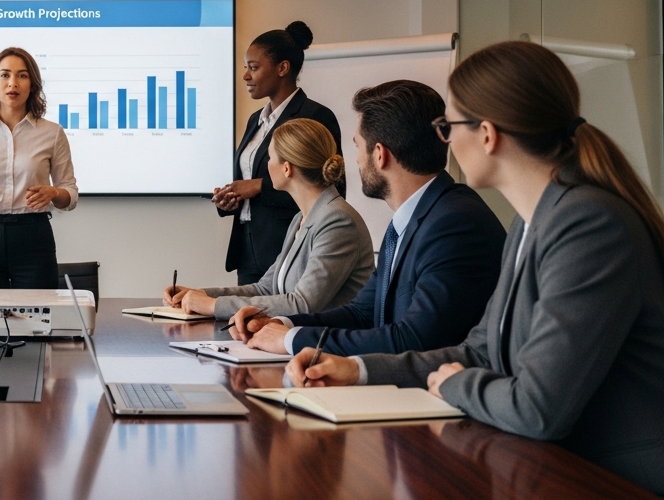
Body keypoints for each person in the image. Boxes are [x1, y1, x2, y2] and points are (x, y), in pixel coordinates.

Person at [287, 42, 664, 498]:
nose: (443, 140)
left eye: (449, 126)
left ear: (487, 134)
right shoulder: (531, 220)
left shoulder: (588, 224)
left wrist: (457, 384)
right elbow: (480, 351)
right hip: (556, 470)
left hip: (623, 483)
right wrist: (355, 369)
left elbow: (538, 406)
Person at [233, 80, 506, 357]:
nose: (356, 160)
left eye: (358, 147)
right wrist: (282, 324)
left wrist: (292, 340)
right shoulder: (414, 218)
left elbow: (413, 339)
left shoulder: (454, 224)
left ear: (379, 154)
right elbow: (364, 312)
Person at [165, 118, 373, 320]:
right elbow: (265, 287)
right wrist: (200, 294)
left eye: (270, 158)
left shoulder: (338, 221)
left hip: (326, 347)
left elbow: (303, 304)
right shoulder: (301, 218)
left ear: (286, 168)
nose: (266, 165)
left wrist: (212, 306)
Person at [213, 21, 343, 285]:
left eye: (254, 67)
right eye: (246, 68)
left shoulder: (315, 116)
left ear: (283, 68)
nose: (246, 76)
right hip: (248, 251)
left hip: (288, 247)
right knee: (243, 324)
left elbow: (330, 187)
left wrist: (258, 186)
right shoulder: (255, 120)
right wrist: (230, 200)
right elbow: (247, 181)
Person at [0, 47, 78, 300]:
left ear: (33, 85)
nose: (13, 83)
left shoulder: (52, 133)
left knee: (37, 326)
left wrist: (53, 192)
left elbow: (70, 195)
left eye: (22, 76)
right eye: (5, 75)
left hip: (33, 237)